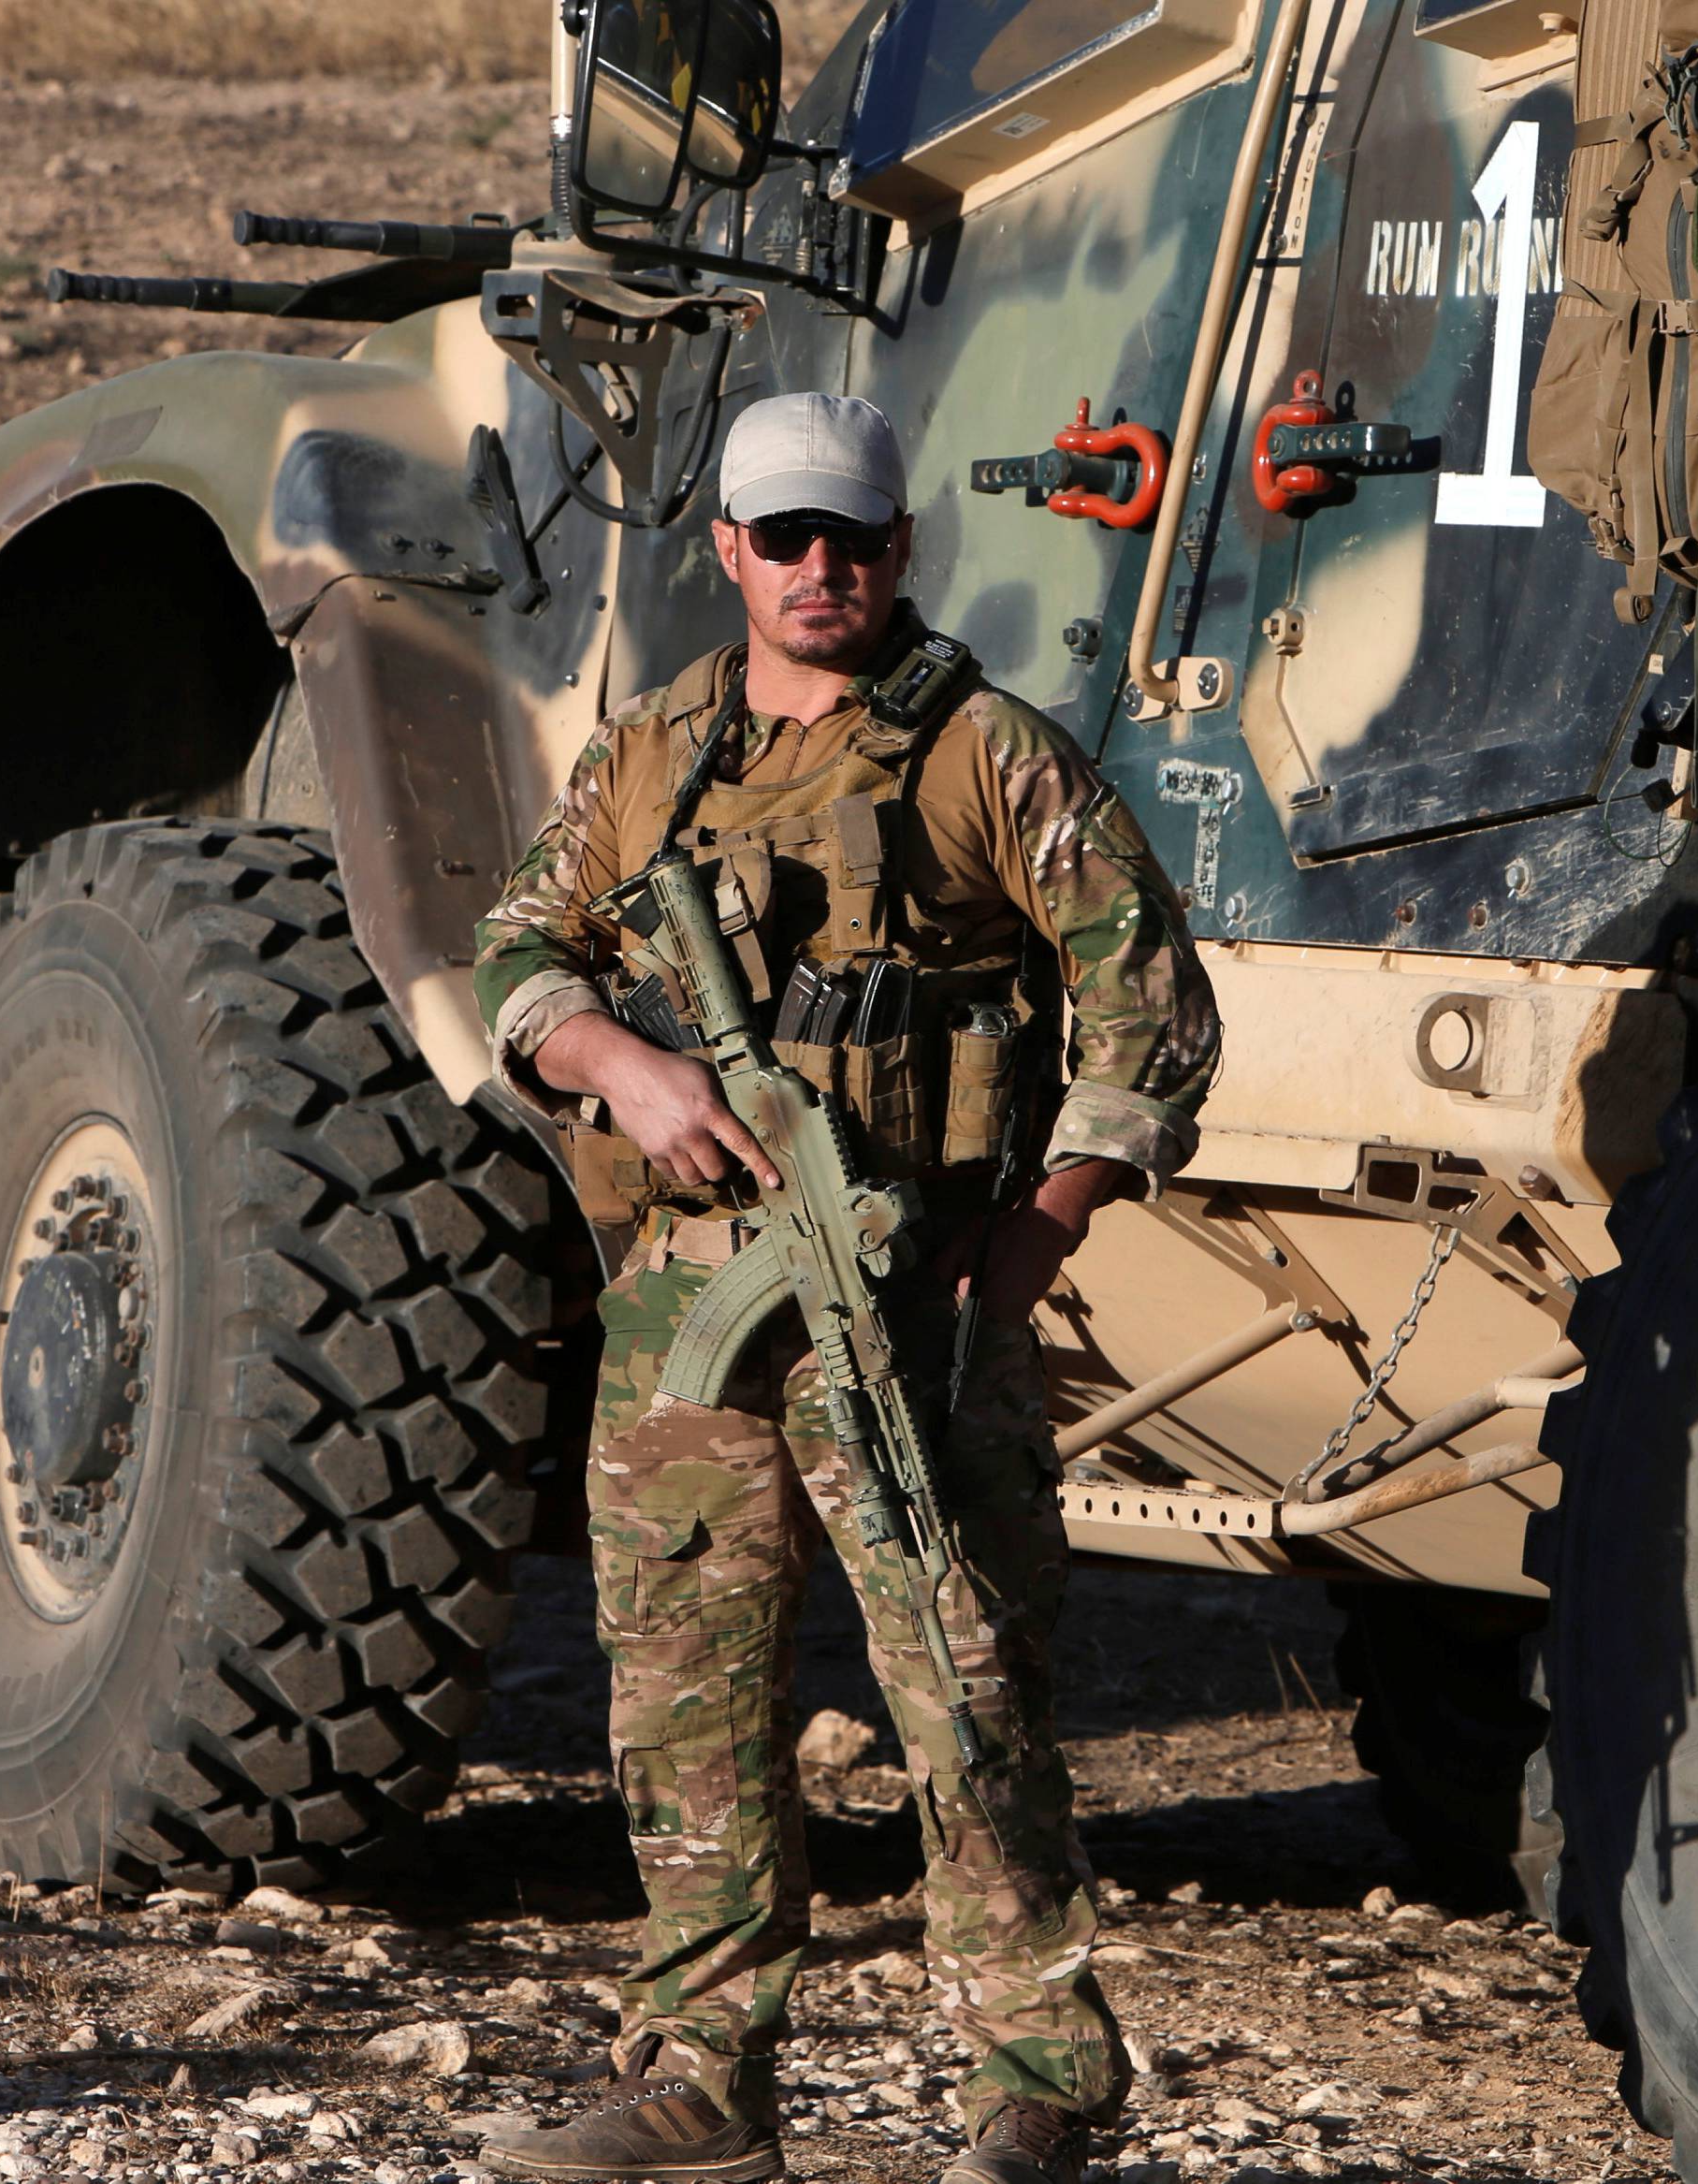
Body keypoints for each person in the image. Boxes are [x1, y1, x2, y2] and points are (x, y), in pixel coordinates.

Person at [470, 392, 1220, 2184]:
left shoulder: (989, 757)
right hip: (692, 1309)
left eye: (857, 540)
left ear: (903, 548)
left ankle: (1038, 2079)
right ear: (723, 547)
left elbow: (1153, 1022)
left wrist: (1029, 1239)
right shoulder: (648, 755)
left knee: (967, 1696)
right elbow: (515, 941)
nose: (824, 570)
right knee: (684, 1699)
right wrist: (613, 1061)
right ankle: (699, 2077)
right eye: (787, 536)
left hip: (916, 1308)